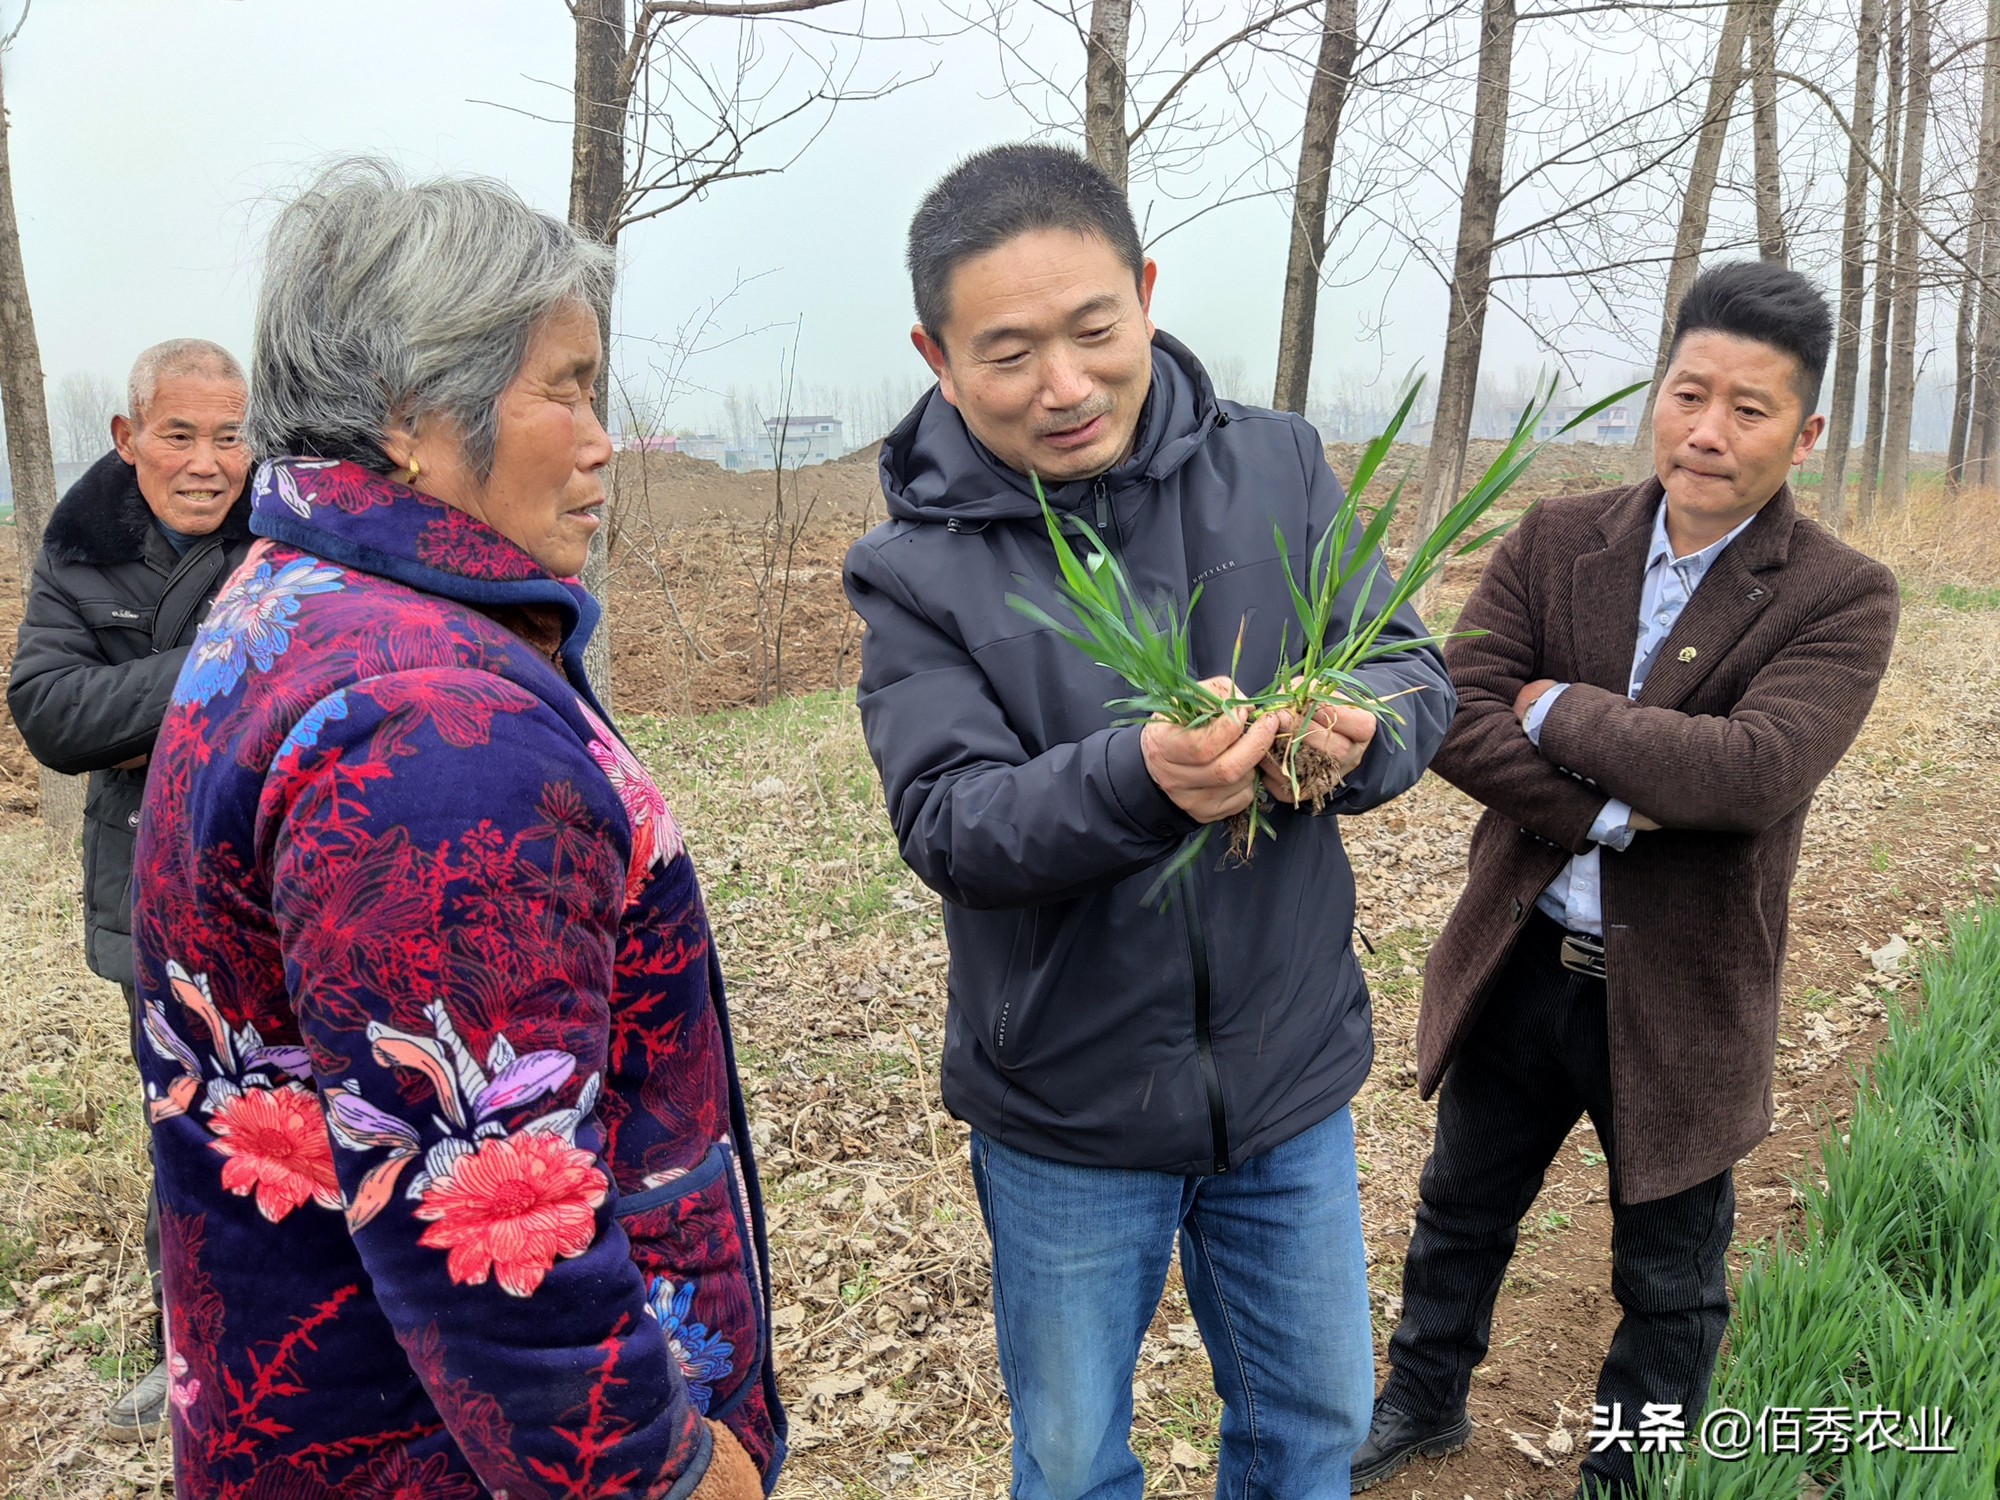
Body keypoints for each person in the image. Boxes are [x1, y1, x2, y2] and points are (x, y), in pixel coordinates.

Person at [127, 160, 780, 1499]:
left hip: (309, 1406)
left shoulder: (297, 597)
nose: (603, 439)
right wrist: (666, 1473)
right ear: (419, 410)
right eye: (569, 384)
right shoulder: (426, 729)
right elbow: (493, 1222)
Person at [843, 143, 1454, 1500]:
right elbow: (947, 822)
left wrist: (1359, 736)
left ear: (1147, 294)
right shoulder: (916, 567)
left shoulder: (1278, 466)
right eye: (1008, 352)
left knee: (1314, 1428)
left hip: (1285, 1080)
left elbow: (1414, 671)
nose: (1065, 386)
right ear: (937, 357)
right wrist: (1138, 782)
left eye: (1094, 329)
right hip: (1067, 1098)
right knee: (1068, 1461)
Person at [1353, 261, 1899, 1498]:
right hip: (1523, 957)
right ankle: (1421, 1403)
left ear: (1804, 433)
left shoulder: (1840, 597)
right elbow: (1452, 712)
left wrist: (1558, 706)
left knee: (1668, 1272)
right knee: (1458, 1211)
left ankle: (1626, 1468)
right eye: (1686, 393)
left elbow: (1750, 772)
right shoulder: (1556, 540)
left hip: (1681, 991)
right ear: (1655, 397)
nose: (1707, 432)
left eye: (1748, 409)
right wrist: (1616, 804)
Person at [9, 338, 256, 1441]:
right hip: (148, 887)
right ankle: (189, 1351)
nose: (207, 463)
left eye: (230, 435)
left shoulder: (289, 527)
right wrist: (228, 656)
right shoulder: (79, 547)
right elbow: (52, 713)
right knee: (185, 1124)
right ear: (127, 437)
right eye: (179, 434)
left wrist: (141, 712)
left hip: (275, 871)